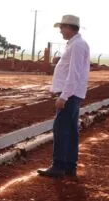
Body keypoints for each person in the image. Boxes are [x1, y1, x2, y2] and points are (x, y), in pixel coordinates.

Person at [38, 15, 90, 179]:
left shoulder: (77, 46)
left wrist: (64, 96)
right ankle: (69, 166)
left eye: (62, 27)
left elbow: (74, 73)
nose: (60, 31)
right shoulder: (76, 44)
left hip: (70, 94)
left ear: (70, 27)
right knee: (71, 130)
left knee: (61, 129)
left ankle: (59, 165)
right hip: (73, 93)